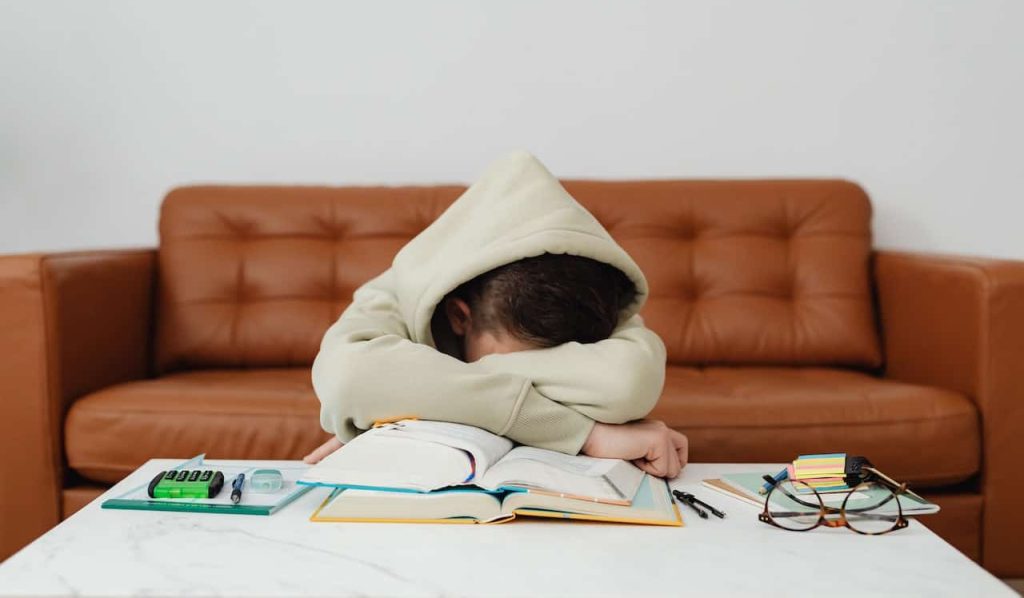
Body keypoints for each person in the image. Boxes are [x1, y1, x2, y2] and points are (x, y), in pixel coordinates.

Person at [308, 151, 688, 477]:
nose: (538, 377)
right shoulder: (396, 291)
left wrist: (405, 399)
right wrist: (584, 433)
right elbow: (351, 378)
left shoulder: (592, 293)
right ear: (460, 317)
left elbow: (625, 382)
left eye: (557, 364)